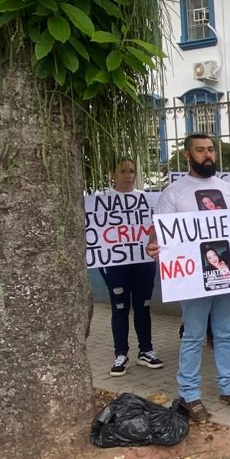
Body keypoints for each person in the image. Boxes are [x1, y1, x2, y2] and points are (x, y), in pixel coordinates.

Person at [147, 133, 230, 424]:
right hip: (193, 277)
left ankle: (229, 388)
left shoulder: (228, 190)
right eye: (200, 150)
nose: (207, 155)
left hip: (227, 273)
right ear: (187, 155)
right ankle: (190, 395)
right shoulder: (174, 192)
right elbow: (159, 231)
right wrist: (153, 245)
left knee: (225, 333)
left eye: (210, 149)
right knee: (193, 335)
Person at [98, 157, 162, 377]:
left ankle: (146, 350)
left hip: (143, 262)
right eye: (123, 171)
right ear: (112, 174)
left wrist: (153, 242)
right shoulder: (100, 201)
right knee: (120, 307)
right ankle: (121, 354)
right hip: (115, 264)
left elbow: (156, 228)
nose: (128, 175)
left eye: (132, 171)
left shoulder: (146, 199)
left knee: (143, 306)